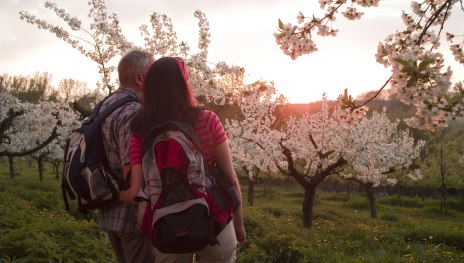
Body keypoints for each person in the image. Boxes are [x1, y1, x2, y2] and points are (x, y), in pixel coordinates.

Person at [121, 56, 246, 262]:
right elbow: (230, 178)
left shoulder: (140, 130)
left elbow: (136, 190)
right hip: (215, 222)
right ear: (183, 84)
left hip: (167, 227)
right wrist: (238, 223)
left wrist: (117, 196)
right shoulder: (207, 120)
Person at [98, 49, 156, 263]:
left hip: (110, 212)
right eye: (154, 72)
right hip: (132, 217)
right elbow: (133, 177)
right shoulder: (133, 113)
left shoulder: (104, 106)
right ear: (139, 78)